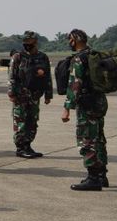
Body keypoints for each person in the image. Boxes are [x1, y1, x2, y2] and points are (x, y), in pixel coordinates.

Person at [62, 29, 109, 191]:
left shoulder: (79, 58)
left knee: (86, 140)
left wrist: (67, 108)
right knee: (99, 138)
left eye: (70, 39)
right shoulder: (94, 55)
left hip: (87, 105)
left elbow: (75, 84)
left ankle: (93, 178)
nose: (69, 42)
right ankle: (102, 175)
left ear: (75, 40)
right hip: (100, 102)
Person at [8, 30, 52, 158]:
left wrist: (48, 95)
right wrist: (11, 93)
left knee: (32, 121)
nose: (26, 44)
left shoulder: (43, 57)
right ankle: (20, 147)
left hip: (35, 95)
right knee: (20, 121)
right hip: (20, 95)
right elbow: (12, 76)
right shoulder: (18, 57)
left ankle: (28, 145)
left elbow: (47, 77)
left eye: (29, 41)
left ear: (35, 42)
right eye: (24, 41)